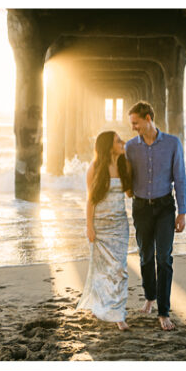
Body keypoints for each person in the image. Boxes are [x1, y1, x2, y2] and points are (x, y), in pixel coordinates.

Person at [125, 101, 186, 332]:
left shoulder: (172, 143)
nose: (133, 128)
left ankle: (164, 311)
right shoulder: (130, 147)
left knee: (164, 258)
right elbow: (124, 177)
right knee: (146, 257)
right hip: (140, 207)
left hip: (164, 208)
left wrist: (182, 212)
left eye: (136, 123)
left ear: (148, 118)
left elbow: (180, 178)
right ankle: (150, 297)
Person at [77, 131, 133, 330]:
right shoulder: (94, 168)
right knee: (101, 270)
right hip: (100, 226)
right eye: (118, 141)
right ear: (109, 146)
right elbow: (91, 200)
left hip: (119, 225)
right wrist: (89, 227)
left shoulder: (124, 165)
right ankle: (100, 307)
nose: (122, 143)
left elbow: (129, 192)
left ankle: (118, 314)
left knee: (120, 270)